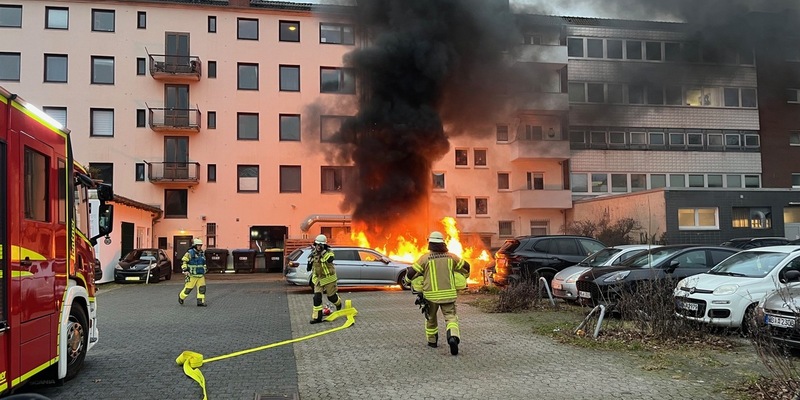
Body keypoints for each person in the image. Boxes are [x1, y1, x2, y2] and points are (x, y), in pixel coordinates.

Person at [406, 231, 470, 355]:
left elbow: (411, 273)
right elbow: (466, 267)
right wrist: (465, 277)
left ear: (430, 243)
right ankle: (453, 338)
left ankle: (432, 341)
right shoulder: (452, 257)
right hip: (449, 295)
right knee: (451, 318)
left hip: (431, 296)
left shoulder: (425, 258)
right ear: (443, 242)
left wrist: (408, 281)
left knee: (431, 318)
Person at [307, 234, 342, 324]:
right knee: (316, 297)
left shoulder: (329, 252)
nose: (318, 246)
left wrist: (323, 254)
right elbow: (308, 268)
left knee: (331, 297)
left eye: (320, 245)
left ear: (324, 245)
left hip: (329, 279)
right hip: (318, 280)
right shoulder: (313, 253)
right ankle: (317, 317)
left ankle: (338, 304)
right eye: (317, 244)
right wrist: (309, 261)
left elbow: (331, 259)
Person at [179, 238, 207, 307]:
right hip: (192, 275)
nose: (200, 247)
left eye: (201, 245)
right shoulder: (189, 253)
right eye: (198, 245)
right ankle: (181, 297)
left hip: (200, 275)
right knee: (188, 289)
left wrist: (205, 268)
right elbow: (184, 261)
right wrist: (185, 270)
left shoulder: (201, 253)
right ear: (195, 245)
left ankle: (200, 302)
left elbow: (204, 263)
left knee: (202, 289)